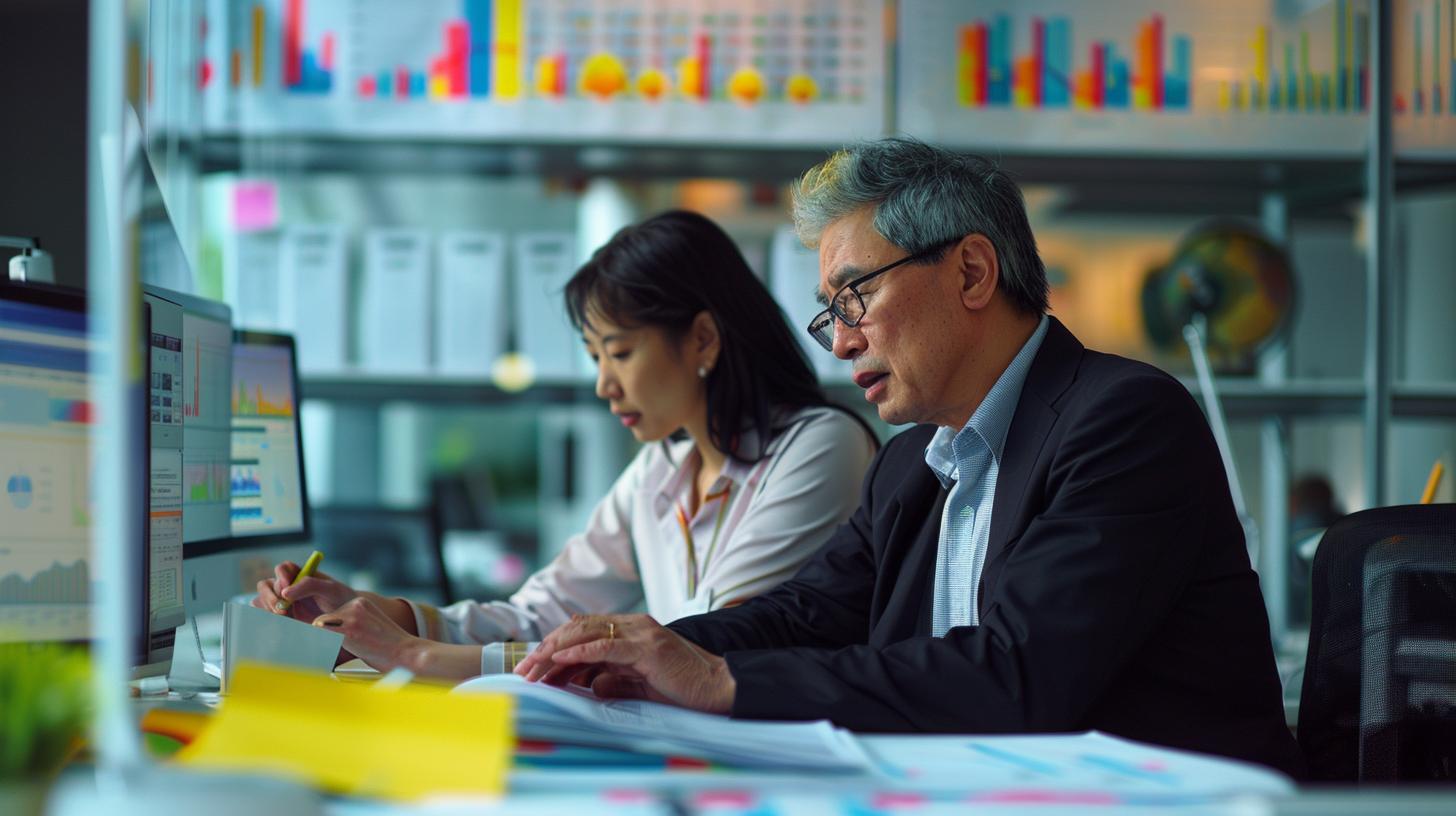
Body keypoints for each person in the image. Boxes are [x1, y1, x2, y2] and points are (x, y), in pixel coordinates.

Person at [514, 139, 1306, 777]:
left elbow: (1017, 676)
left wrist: (719, 683)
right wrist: (656, 651)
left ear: (970, 271)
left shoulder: (1124, 421)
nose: (843, 338)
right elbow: (808, 614)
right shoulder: (910, 464)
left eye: (856, 296)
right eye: (831, 313)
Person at [254, 210, 878, 680]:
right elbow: (540, 615)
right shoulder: (661, 467)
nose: (605, 384)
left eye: (621, 352)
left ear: (703, 340)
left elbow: (690, 648)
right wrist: (372, 612)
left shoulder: (820, 448)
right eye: (594, 357)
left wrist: (418, 655)